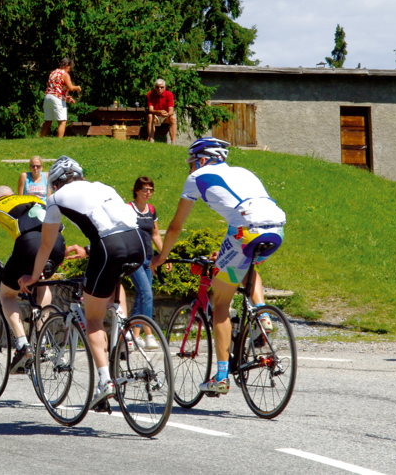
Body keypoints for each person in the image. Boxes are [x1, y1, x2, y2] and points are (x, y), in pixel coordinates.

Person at [152, 138, 286, 395]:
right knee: (247, 266)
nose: (190, 170)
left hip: (246, 231)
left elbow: (176, 226)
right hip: (275, 229)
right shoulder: (244, 172)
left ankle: (221, 376)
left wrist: (161, 257)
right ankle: (263, 316)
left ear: (201, 160)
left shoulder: (197, 177)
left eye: (191, 164)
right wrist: (227, 250)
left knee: (220, 302)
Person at [19, 155, 146, 409]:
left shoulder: (55, 198)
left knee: (94, 319)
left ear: (55, 184)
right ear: (81, 176)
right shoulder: (102, 186)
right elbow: (116, 225)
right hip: (138, 243)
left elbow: (46, 244)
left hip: (109, 248)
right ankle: (124, 330)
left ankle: (105, 381)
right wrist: (88, 249)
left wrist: (33, 277)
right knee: (109, 288)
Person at [0, 186, 67, 368]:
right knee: (42, 284)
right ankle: (42, 333)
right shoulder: (34, 198)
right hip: (58, 243)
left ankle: (23, 344)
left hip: (29, 244)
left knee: (7, 294)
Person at [128, 176, 163, 350]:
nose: (148, 193)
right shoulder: (128, 209)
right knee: (147, 293)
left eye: (150, 190)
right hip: (134, 259)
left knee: (142, 296)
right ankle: (149, 335)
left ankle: (133, 336)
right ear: (136, 190)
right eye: (144, 190)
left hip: (148, 259)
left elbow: (155, 235)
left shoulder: (151, 210)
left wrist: (164, 256)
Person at [40, 58, 81, 138]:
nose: (69, 70)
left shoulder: (53, 73)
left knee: (47, 122)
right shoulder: (64, 74)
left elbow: (56, 87)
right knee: (62, 121)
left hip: (48, 97)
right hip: (57, 98)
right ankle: (59, 141)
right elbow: (71, 87)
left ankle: (41, 139)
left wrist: (66, 97)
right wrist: (78, 87)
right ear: (66, 65)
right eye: (69, 68)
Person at [146, 78, 176, 144]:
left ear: (164, 87)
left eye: (161, 87)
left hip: (165, 116)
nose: (159, 89)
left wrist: (167, 114)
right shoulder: (150, 94)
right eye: (157, 87)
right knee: (150, 116)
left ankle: (173, 142)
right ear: (155, 87)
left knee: (173, 118)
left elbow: (171, 111)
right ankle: (151, 139)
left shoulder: (169, 95)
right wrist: (159, 112)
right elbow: (150, 110)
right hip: (155, 115)